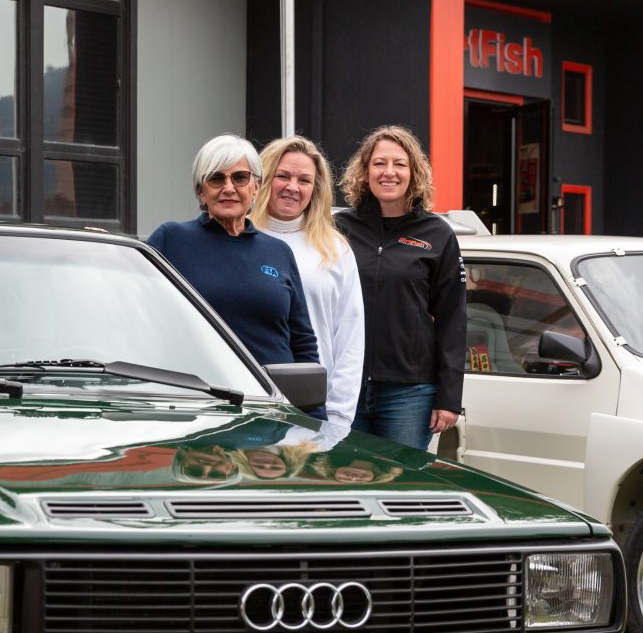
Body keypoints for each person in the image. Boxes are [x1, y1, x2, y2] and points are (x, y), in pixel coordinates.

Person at [146, 134, 320, 410]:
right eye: (216, 178)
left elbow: (303, 341)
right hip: (198, 407)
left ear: (256, 187)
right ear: (201, 191)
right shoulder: (171, 240)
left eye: (240, 178)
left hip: (273, 409)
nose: (228, 188)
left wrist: (314, 415)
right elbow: (140, 317)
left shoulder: (278, 252)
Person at [335, 126, 467, 450]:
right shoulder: (339, 228)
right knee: (344, 478)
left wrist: (449, 397)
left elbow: (453, 319)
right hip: (346, 386)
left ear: (414, 173)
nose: (389, 172)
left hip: (409, 394)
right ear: (365, 172)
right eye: (379, 163)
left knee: (401, 479)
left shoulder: (437, 234)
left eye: (399, 164)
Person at [251, 136, 365, 427]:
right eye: (283, 176)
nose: (293, 187)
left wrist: (338, 415)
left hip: (314, 407)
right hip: (250, 398)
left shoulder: (334, 249)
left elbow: (350, 338)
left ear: (316, 189)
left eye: (304, 180)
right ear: (263, 178)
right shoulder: (238, 237)